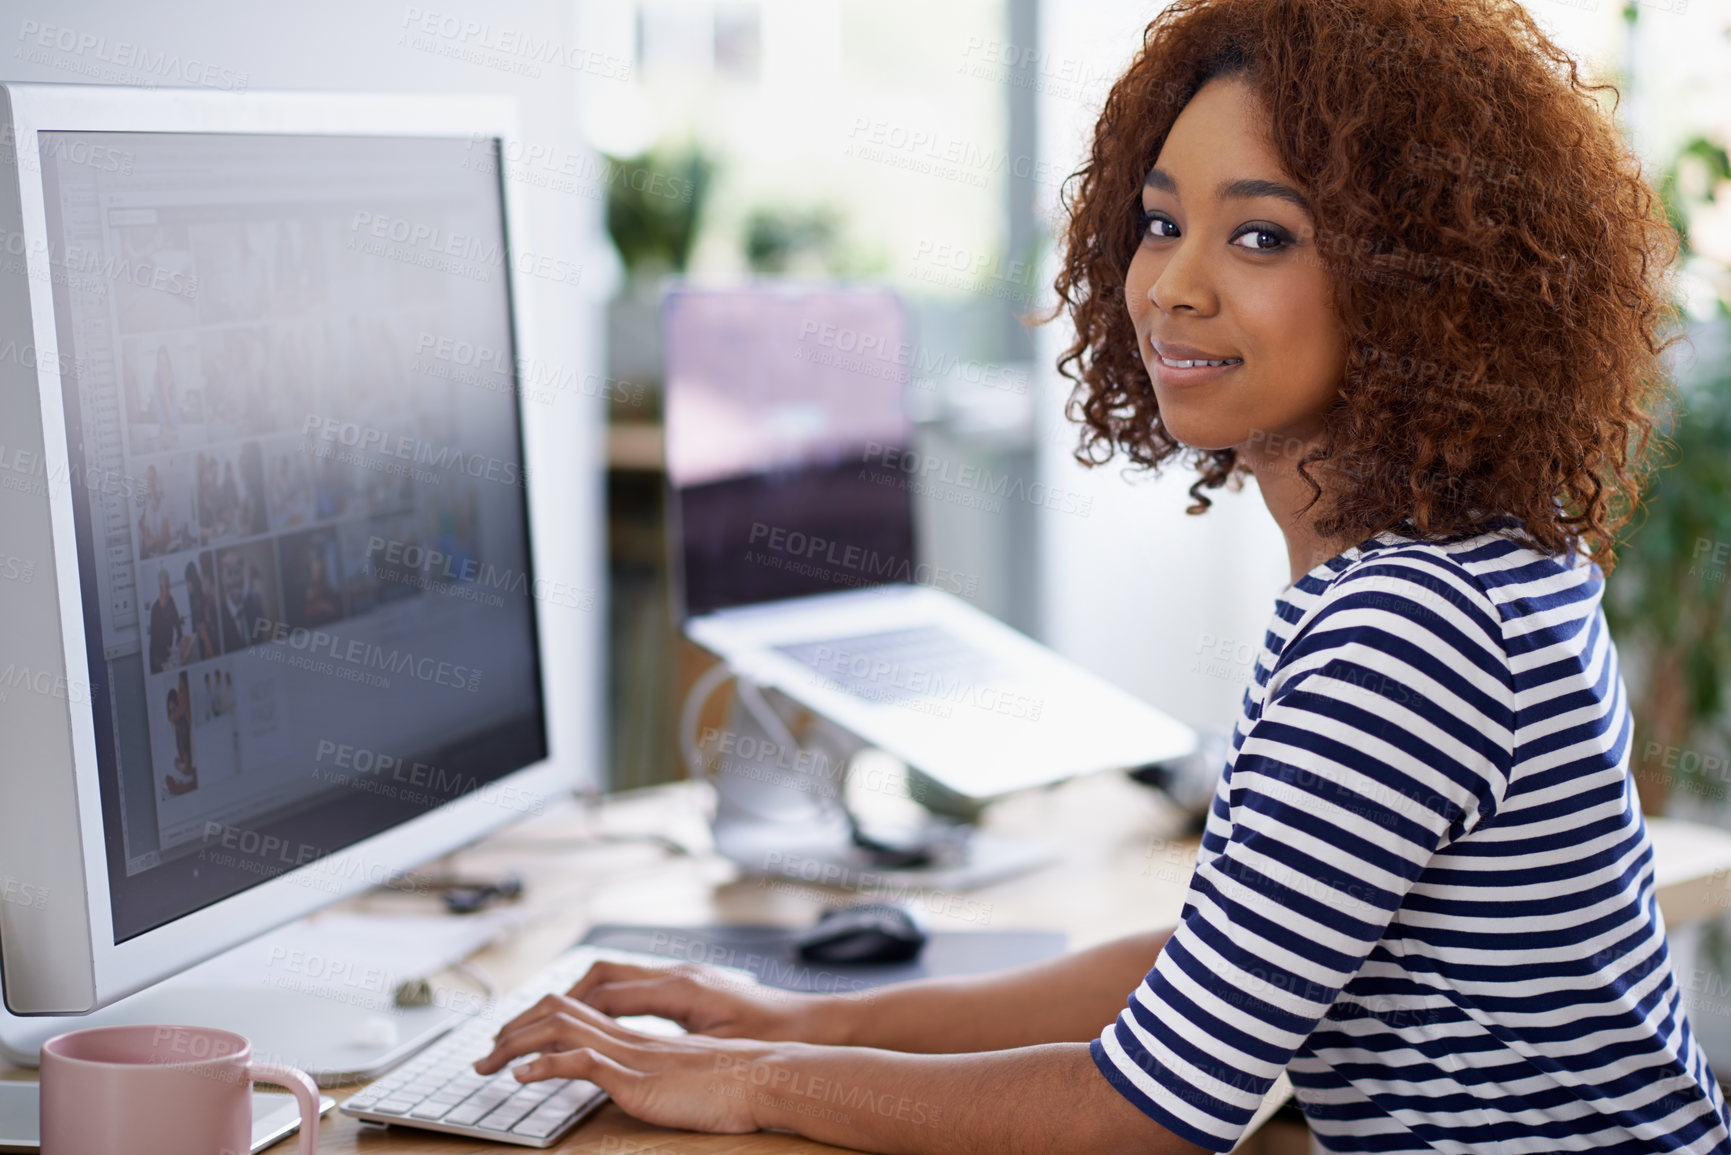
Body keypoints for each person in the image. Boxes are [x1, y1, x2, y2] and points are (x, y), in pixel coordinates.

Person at [470, 2, 1727, 1151]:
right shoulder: (1467, 569)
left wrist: (741, 1082)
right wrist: (802, 1022)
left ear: (1423, 291)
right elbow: (1213, 969)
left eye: (1261, 235)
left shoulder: (1406, 631)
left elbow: (1141, 1113)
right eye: (1164, 221)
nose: (1173, 285)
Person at [145, 568, 182, 675]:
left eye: (170, 586)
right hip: (158, 659)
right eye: (167, 587)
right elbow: (154, 641)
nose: (169, 590)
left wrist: (179, 647)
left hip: (170, 656)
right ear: (161, 588)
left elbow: (178, 627)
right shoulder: (155, 610)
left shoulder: (171, 601)